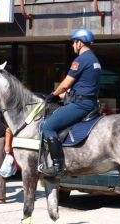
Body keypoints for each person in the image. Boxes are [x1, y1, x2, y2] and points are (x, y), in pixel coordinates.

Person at [40, 28, 102, 177]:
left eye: (74, 42)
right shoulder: (94, 60)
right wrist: (61, 97)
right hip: (90, 102)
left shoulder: (80, 60)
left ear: (80, 43)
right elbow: (82, 87)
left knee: (47, 126)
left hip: (81, 105)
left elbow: (65, 85)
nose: (72, 45)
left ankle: (57, 166)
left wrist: (53, 95)